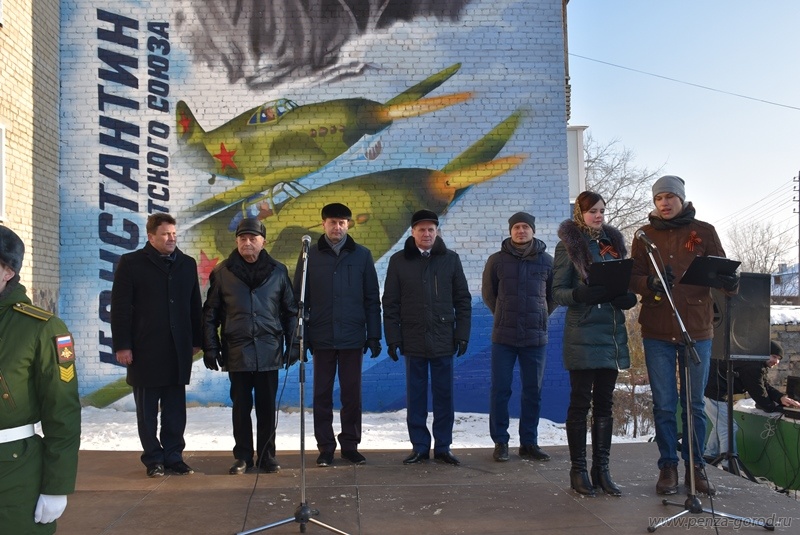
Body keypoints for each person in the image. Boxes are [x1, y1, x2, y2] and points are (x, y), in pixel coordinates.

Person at [630, 175, 738, 496]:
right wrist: (648, 283)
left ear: (681, 199)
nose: (664, 203)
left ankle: (695, 467)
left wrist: (731, 282)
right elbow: (633, 276)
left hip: (697, 330)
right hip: (657, 330)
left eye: (669, 197)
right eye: (658, 198)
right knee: (664, 405)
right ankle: (668, 466)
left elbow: (724, 273)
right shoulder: (644, 236)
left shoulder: (704, 231)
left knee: (694, 404)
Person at [552, 193, 638, 496]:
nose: (598, 215)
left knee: (604, 404)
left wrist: (628, 298)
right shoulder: (569, 246)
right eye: (592, 211)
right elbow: (557, 292)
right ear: (580, 212)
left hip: (611, 333)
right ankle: (578, 470)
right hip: (583, 333)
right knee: (580, 403)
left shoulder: (613, 244)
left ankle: (601, 469)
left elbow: (625, 283)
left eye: (602, 210)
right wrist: (579, 295)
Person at [0, 225, 81, 533]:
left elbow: (62, 412)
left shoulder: (41, 328)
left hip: (13, 472)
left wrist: (57, 485)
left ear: (8, 271)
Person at [203, 217, 298, 475]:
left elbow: (290, 311)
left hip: (269, 350)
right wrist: (211, 347)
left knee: (267, 408)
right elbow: (210, 313)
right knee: (241, 408)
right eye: (242, 238)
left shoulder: (278, 272)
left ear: (263, 242)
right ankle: (243, 456)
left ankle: (267, 456)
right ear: (236, 241)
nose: (247, 243)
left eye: (252, 238)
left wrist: (294, 344)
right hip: (237, 351)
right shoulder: (223, 273)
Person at [111, 213, 202, 478]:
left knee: (175, 410)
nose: (171, 238)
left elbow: (194, 305)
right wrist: (123, 346)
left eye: (174, 233)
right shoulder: (131, 263)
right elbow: (120, 308)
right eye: (165, 234)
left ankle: (174, 456)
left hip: (177, 350)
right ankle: (153, 459)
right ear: (151, 237)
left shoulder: (186, 264)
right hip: (145, 350)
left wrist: (197, 340)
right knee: (147, 411)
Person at [294, 203, 381, 467]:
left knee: (351, 395)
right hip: (322, 336)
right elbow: (300, 299)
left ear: (348, 225)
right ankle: (325, 447)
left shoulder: (362, 255)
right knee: (321, 394)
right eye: (332, 222)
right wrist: (302, 337)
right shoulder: (309, 256)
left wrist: (374, 335)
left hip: (352, 337)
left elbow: (371, 299)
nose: (337, 227)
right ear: (323, 224)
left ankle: (350, 445)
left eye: (342, 222)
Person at [383, 210, 471, 466]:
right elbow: (390, 303)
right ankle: (420, 446)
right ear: (413, 232)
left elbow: (462, 300)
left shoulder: (450, 259)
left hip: (443, 338)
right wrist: (393, 337)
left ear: (436, 231)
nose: (426, 234)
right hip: (413, 338)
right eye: (421, 229)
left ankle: (443, 446)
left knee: (444, 396)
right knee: (416, 397)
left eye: (431, 229)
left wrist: (462, 334)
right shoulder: (399, 261)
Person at [482, 212, 556, 464]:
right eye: (516, 227)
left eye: (525, 227)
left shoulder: (547, 261)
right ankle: (501, 442)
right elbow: (488, 294)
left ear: (533, 230)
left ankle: (529, 443)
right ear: (510, 231)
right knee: (500, 390)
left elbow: (553, 296)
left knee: (533, 391)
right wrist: (502, 314)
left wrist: (540, 315)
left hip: (535, 338)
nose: (521, 231)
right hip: (503, 336)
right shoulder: (496, 260)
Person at [704, 340, 800, 460]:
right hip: (712, 393)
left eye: (779, 358)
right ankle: (728, 463)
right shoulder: (752, 366)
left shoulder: (756, 363)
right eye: (774, 356)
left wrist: (781, 398)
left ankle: (710, 455)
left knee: (721, 424)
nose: (776, 362)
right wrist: (776, 408)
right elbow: (758, 393)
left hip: (714, 392)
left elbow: (764, 385)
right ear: (764, 353)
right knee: (729, 428)